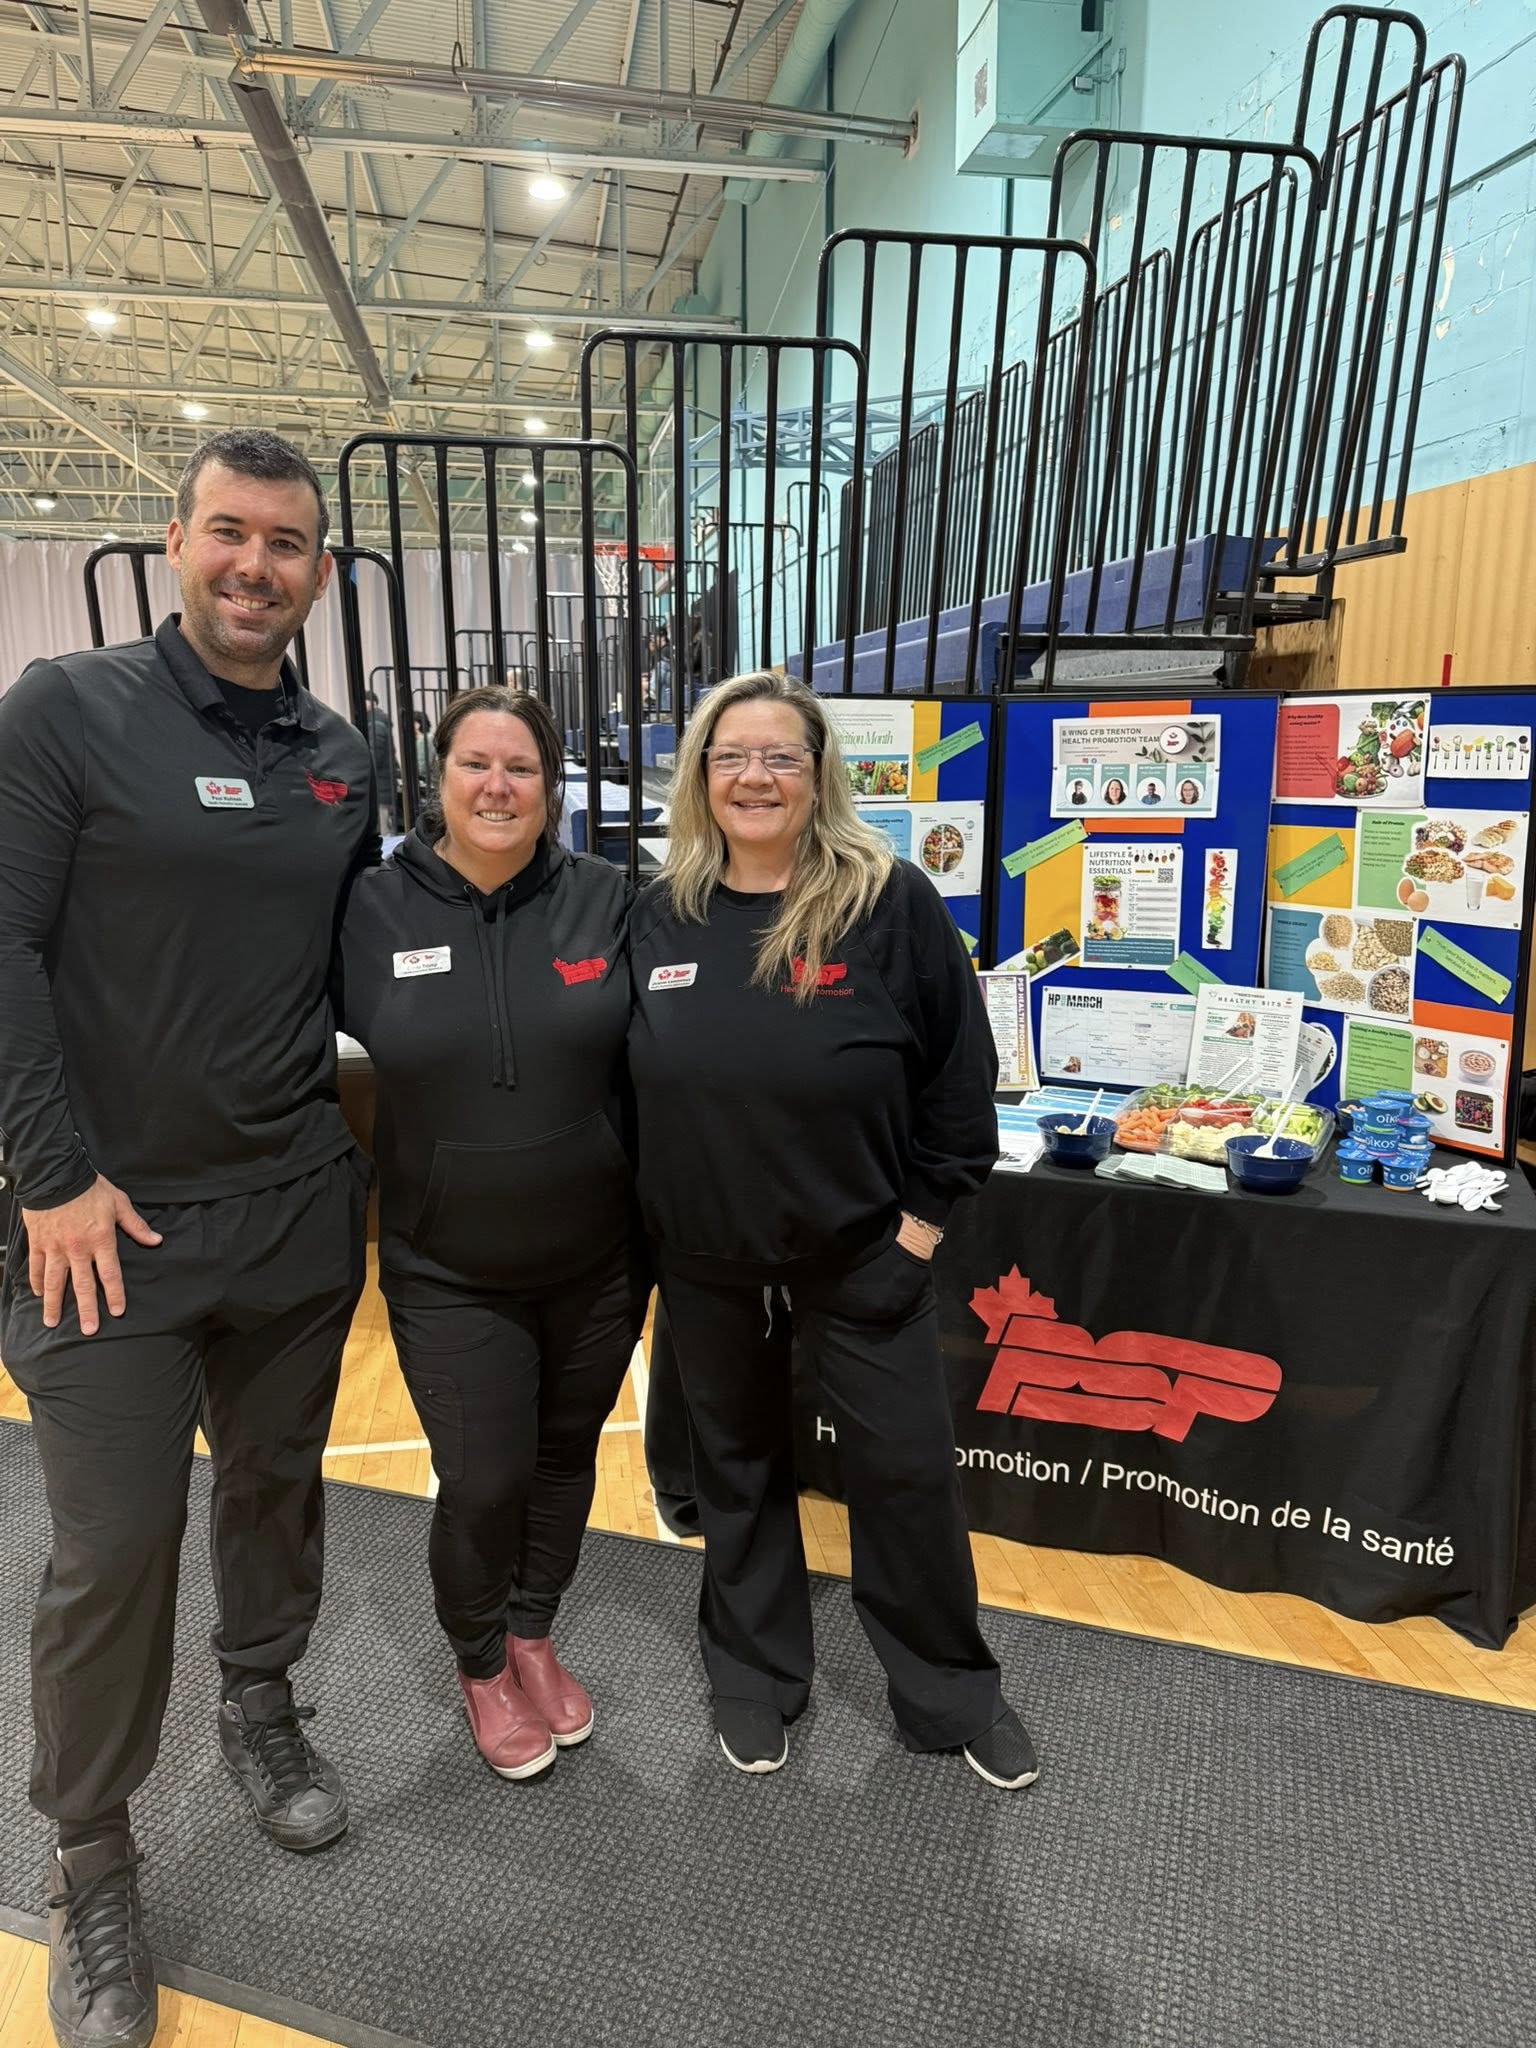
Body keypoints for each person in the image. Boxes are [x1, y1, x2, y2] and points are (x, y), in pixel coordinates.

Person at [0, 430, 376, 2048]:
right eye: (229, 532)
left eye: (285, 543)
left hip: (293, 1214)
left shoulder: (342, 755)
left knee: (281, 1493)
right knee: (110, 1547)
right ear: (176, 541)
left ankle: (259, 1702)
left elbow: (362, 963)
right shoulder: (66, 713)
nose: (254, 564)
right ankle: (93, 1860)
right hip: (105, 1235)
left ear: (318, 572)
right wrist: (48, 1174)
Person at [627, 670, 1037, 1791]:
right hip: (710, 1266)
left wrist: (917, 1231)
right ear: (702, 776)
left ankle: (950, 1690)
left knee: (904, 1476)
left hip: (864, 1257)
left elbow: (961, 1082)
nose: (755, 775)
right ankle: (755, 1677)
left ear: (819, 777)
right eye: (731, 756)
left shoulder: (887, 901)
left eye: (781, 757)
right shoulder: (660, 909)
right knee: (739, 1477)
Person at [336, 686, 647, 1782]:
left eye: (521, 766)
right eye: (476, 763)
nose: (498, 785)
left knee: (564, 1462)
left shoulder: (610, 898)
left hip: (600, 1260)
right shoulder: (369, 909)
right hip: (448, 1263)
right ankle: (479, 1659)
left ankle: (532, 1629)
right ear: (439, 779)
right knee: (480, 1477)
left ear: (552, 787)